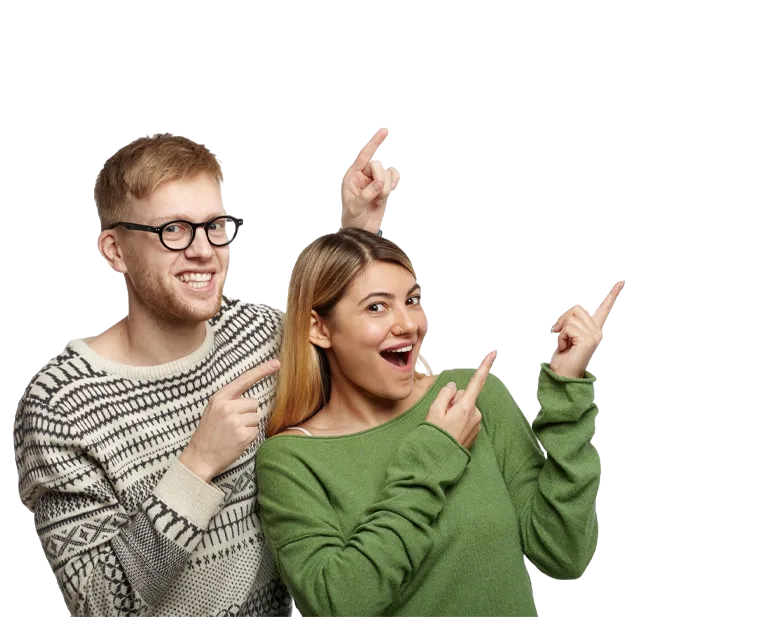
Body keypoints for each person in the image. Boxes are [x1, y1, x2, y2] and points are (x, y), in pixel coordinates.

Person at [13, 129, 399, 617]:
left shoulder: (257, 332)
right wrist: (197, 466)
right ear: (115, 250)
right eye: (173, 230)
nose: (203, 250)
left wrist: (358, 230)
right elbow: (101, 605)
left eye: (215, 225)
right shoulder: (60, 406)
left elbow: (353, 357)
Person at [256, 228, 622, 617]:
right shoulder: (289, 460)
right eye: (376, 307)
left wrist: (567, 390)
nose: (408, 324)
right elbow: (340, 602)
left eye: (411, 300)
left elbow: (563, 552)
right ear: (319, 329)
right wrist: (436, 451)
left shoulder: (469, 398)